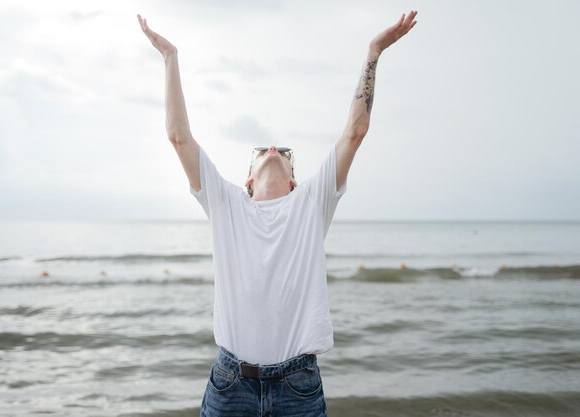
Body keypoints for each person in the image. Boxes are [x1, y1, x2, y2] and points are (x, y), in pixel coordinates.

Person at [138, 10, 418, 416]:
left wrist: (373, 52)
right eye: (262, 151)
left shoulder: (310, 203)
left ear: (293, 181)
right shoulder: (226, 203)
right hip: (230, 382)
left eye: (285, 153)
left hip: (297, 386)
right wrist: (170, 57)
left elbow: (354, 132)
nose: (273, 150)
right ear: (247, 181)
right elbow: (178, 136)